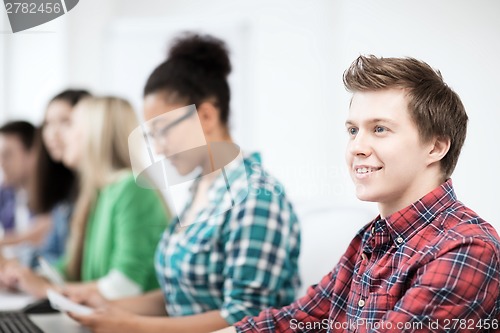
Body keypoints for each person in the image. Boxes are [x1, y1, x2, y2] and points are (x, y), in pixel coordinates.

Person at [213, 56, 500, 333]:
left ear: (436, 147)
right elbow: (297, 319)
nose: (356, 147)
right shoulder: (371, 238)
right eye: (352, 130)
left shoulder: (467, 247)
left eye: (379, 129)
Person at [68, 33, 301, 333]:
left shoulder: (255, 196)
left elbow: (245, 318)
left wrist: (132, 325)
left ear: (205, 115)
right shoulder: (201, 189)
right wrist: (104, 307)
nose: (159, 148)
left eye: (162, 130)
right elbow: (180, 298)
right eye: (151, 136)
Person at [1, 96, 168, 300]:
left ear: (95, 133)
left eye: (70, 125)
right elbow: (71, 268)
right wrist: (28, 279)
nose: (59, 137)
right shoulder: (98, 192)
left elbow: (125, 286)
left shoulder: (130, 188)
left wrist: (47, 290)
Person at [29, 89, 90, 265]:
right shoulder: (67, 186)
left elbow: (74, 264)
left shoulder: (109, 188)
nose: (52, 133)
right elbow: (52, 251)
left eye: (65, 122)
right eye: (48, 123)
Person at [0, 121, 42, 265]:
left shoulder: (52, 192)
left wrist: (3, 242)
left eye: (8, 155)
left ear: (32, 154)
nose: (2, 163)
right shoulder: (6, 193)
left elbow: (42, 232)